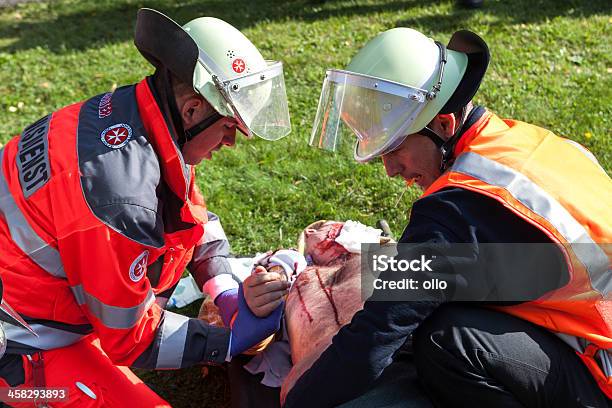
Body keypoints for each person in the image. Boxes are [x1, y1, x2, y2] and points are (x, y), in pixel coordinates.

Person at [285, 28, 611, 407]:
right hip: (592, 325)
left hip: (599, 369)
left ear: (443, 125)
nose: (390, 169)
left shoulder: (455, 209)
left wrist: (300, 399)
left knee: (446, 340)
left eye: (394, 149)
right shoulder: (523, 142)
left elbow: (375, 336)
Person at [0, 8, 291, 406]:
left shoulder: (132, 118)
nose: (230, 143)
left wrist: (224, 289)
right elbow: (133, 341)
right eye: (228, 127)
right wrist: (230, 340)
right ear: (192, 110)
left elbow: (191, 216)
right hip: (18, 346)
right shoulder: (119, 198)